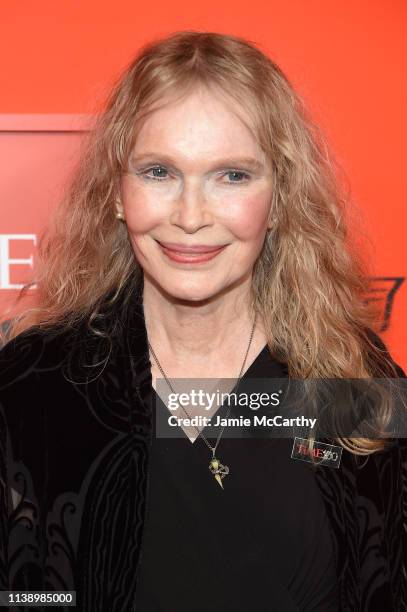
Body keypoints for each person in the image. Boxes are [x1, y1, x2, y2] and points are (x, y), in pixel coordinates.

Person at [0, 30, 406, 612]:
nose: (191, 217)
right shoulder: (34, 386)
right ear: (118, 192)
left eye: (232, 176)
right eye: (159, 172)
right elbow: (24, 594)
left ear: (279, 198)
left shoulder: (352, 376)